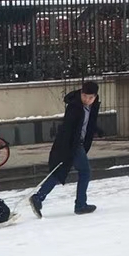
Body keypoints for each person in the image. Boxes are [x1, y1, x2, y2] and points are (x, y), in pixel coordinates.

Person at [30, 80, 100, 218]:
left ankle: (38, 198)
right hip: (70, 144)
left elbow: (87, 124)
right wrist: (68, 149)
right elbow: (68, 129)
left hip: (76, 144)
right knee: (84, 171)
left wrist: (97, 130)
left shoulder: (92, 106)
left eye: (91, 97)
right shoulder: (75, 107)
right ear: (81, 93)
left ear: (95, 97)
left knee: (60, 172)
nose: (87, 99)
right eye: (85, 96)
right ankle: (80, 205)